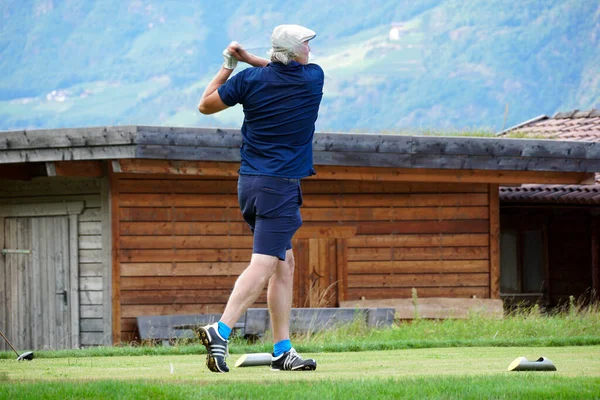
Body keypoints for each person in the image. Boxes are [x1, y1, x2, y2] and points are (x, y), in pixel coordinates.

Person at [196, 24, 324, 373]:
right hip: (279, 188)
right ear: (296, 53)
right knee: (265, 264)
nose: (310, 51)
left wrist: (230, 65)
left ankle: (282, 350)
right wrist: (252, 59)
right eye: (305, 46)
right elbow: (282, 73)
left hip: (250, 185)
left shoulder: (248, 82)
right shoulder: (313, 78)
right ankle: (220, 329)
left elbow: (205, 105)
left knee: (285, 264)